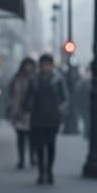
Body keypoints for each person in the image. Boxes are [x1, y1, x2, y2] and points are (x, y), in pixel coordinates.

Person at [26, 54, 69, 184]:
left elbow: (65, 97)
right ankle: (41, 172)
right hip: (37, 117)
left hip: (52, 117)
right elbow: (27, 97)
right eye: (43, 65)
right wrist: (28, 107)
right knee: (39, 147)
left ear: (51, 65)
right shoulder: (34, 79)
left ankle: (49, 171)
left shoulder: (58, 79)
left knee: (51, 146)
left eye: (47, 65)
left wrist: (60, 110)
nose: (45, 67)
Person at [7, 58, 36, 169]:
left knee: (32, 137)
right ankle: (21, 159)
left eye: (30, 65)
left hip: (31, 111)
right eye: (26, 65)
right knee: (20, 136)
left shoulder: (35, 78)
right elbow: (10, 93)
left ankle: (32, 157)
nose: (28, 68)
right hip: (18, 110)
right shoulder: (17, 78)